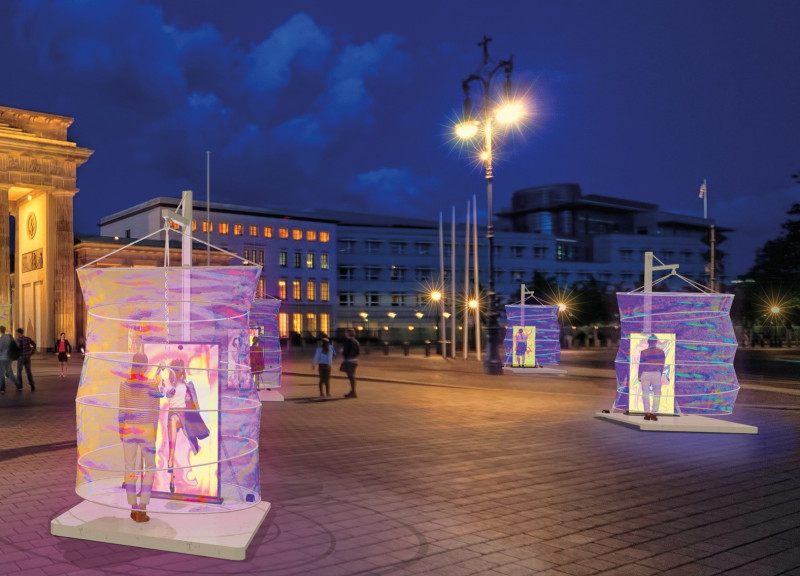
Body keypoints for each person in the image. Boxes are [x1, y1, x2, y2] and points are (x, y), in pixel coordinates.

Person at [119, 353, 160, 523]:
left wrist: (121, 430)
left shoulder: (124, 384)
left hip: (129, 428)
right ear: (146, 366)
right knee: (149, 467)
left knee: (130, 467)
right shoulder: (153, 384)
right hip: (147, 428)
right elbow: (155, 411)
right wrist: (154, 431)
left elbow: (121, 409)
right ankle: (142, 507)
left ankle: (133, 507)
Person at [160, 358, 209, 494]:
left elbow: (194, 403)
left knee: (191, 443)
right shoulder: (168, 383)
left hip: (185, 414)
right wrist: (164, 373)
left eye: (182, 368)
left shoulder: (187, 385)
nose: (181, 370)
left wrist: (189, 399)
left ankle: (176, 461)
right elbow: (168, 392)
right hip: (173, 414)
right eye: (179, 368)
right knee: (172, 421)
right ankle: (171, 470)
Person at [637, 335, 666, 421]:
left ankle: (647, 413)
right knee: (657, 393)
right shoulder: (661, 352)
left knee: (645, 394)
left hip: (645, 374)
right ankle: (654, 413)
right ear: (656, 342)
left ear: (648, 342)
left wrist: (639, 375)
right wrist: (660, 374)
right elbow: (662, 365)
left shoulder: (644, 352)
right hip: (656, 374)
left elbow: (641, 365)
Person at [341, 329, 360, 399]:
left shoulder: (349, 341)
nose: (345, 334)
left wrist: (345, 355)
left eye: (346, 333)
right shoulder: (356, 342)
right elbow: (358, 352)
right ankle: (352, 391)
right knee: (352, 376)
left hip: (349, 360)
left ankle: (353, 392)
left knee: (351, 376)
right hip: (354, 360)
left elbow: (345, 351)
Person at [0, 326, 20, 392]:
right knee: (9, 372)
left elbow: (0, 349)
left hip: (2, 358)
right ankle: (18, 384)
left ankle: (2, 388)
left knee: (1, 373)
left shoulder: (1, 339)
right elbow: (17, 344)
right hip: (9, 357)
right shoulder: (9, 337)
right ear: (5, 330)